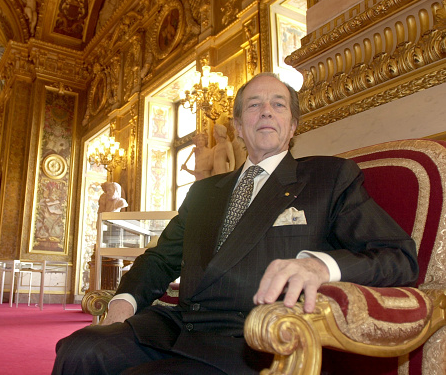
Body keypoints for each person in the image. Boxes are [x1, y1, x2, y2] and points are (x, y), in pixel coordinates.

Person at [52, 73, 418, 374]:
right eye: (254, 105)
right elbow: (161, 259)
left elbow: (398, 258)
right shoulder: (204, 192)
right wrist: (125, 301)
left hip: (256, 338)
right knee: (80, 349)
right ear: (239, 127)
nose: (266, 112)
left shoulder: (328, 177)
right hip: (179, 325)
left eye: (278, 105)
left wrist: (320, 266)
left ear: (292, 126)